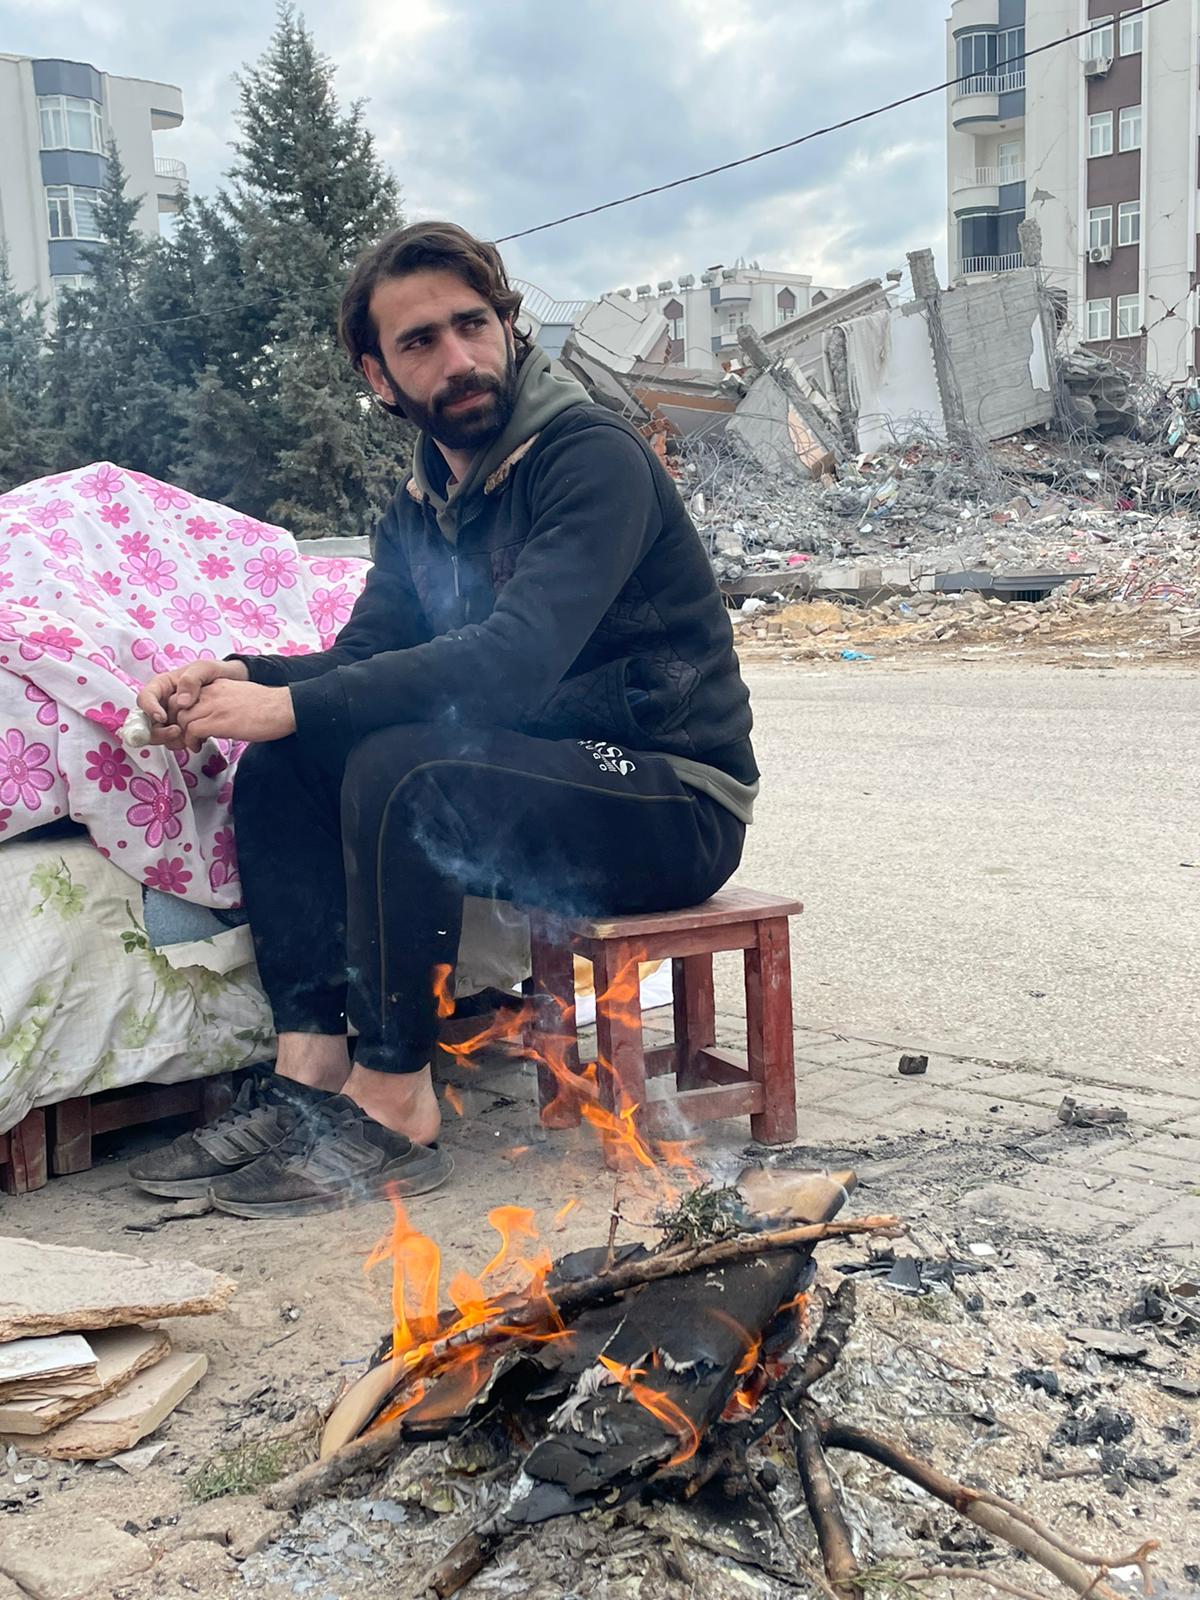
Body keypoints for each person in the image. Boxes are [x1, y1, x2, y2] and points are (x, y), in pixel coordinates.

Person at [128, 221, 758, 1218]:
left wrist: (290, 703)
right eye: (421, 342)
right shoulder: (423, 505)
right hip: (532, 779)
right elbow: (365, 656)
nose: (458, 358)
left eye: (472, 325)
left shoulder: (591, 460)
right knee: (286, 760)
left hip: (667, 795)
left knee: (404, 768)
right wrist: (240, 681)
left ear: (508, 327)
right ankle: (310, 1074)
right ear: (379, 376)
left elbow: (514, 660)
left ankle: (395, 1098)